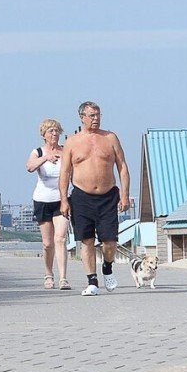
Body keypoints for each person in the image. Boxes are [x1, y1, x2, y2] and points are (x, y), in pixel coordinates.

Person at [59, 100, 131, 297]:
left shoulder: (110, 138)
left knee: (110, 241)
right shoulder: (73, 142)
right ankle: (92, 281)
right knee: (87, 240)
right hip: (82, 196)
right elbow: (65, 173)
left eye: (98, 115)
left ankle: (107, 267)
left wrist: (124, 194)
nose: (96, 119)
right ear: (82, 117)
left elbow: (122, 166)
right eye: (92, 116)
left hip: (108, 196)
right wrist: (64, 200)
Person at [27, 118, 71, 290]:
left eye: (56, 131)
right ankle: (48, 274)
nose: (54, 134)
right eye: (50, 131)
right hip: (42, 200)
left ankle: (63, 278)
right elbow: (29, 167)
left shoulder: (65, 151)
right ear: (44, 135)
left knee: (60, 238)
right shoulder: (38, 152)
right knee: (48, 243)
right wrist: (46, 157)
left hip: (62, 199)